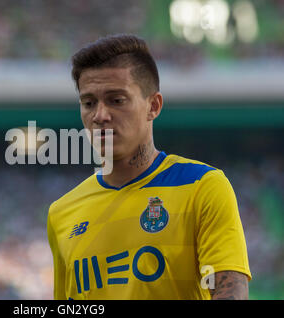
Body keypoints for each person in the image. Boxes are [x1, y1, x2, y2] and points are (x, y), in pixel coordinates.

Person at [47, 34, 251, 300]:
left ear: (153, 106)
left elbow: (231, 293)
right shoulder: (61, 213)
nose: (99, 115)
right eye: (88, 103)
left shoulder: (202, 186)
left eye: (116, 100)